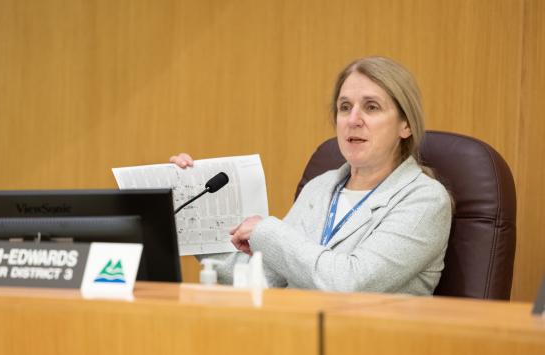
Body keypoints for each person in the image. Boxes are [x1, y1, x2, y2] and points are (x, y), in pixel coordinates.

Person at [170, 56, 451, 295]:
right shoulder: (320, 187)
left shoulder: (425, 200)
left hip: (372, 349)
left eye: (371, 107)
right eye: (344, 107)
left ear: (406, 125)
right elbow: (266, 279)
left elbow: (348, 284)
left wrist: (267, 231)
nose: (353, 119)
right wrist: (191, 211)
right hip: (294, 338)